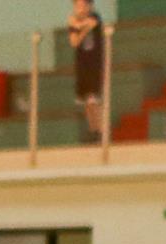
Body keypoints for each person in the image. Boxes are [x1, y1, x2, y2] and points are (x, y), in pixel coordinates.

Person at [69, 0, 107, 140]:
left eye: (83, 5)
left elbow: (91, 24)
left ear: (89, 6)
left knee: (94, 100)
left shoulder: (95, 16)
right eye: (77, 5)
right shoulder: (73, 21)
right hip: (82, 65)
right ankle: (93, 129)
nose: (80, 9)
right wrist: (80, 28)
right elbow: (74, 42)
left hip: (94, 65)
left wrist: (80, 27)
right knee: (86, 101)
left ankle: (102, 130)